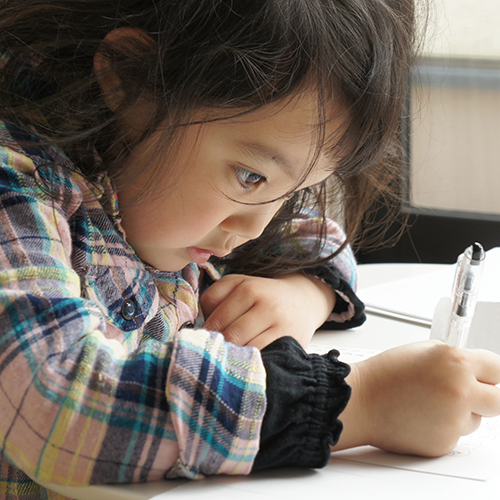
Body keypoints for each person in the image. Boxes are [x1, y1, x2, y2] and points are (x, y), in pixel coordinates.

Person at [1, 1, 500, 499]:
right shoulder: (17, 188)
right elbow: (57, 401)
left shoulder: (179, 199)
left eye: (292, 191)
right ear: (131, 77)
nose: (257, 229)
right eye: (251, 177)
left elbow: (317, 236)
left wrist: (303, 293)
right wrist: (357, 402)